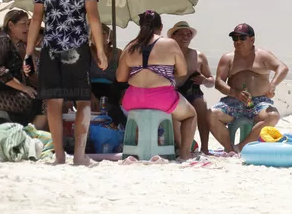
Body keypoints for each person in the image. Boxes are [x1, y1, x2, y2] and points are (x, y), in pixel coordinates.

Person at [24, 0, 106, 166]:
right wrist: (100, 50)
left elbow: (36, 20)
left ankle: (59, 155)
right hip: (77, 47)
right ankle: (79, 156)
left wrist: (29, 52)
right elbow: (94, 18)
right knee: (83, 99)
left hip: (51, 46)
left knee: (53, 100)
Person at [116, 10, 196, 160]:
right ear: (161, 26)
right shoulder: (170, 43)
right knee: (190, 115)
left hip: (133, 99)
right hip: (162, 98)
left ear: (140, 26)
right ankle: (185, 153)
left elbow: (120, 78)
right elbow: (182, 71)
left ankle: (136, 149)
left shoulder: (130, 46)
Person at [208, 23, 289, 153]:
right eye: (235, 38)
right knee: (211, 115)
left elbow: (283, 68)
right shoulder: (228, 58)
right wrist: (235, 93)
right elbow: (218, 82)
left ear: (252, 39)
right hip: (234, 101)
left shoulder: (263, 55)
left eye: (242, 38)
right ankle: (230, 150)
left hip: (259, 102)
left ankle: (241, 147)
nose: (238, 41)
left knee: (273, 116)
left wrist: (272, 85)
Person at [0, 10, 45, 128]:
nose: (27, 28)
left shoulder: (14, 44)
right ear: (11, 25)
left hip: (4, 91)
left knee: (43, 97)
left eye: (28, 24)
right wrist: (24, 88)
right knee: (42, 102)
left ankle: (29, 135)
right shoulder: (2, 40)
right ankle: (29, 137)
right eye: (23, 24)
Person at [169, 21, 214, 155]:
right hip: (174, 92)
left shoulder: (198, 55)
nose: (185, 37)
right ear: (173, 36)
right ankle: (181, 146)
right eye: (181, 34)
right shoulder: (168, 54)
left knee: (201, 105)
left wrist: (205, 80)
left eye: (188, 34)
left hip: (193, 91)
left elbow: (212, 81)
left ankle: (205, 147)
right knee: (174, 111)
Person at [89, 23, 126, 125]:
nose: (99, 36)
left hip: (111, 90)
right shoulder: (87, 52)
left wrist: (123, 94)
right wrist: (91, 95)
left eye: (103, 34)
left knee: (114, 110)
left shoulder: (118, 53)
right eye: (95, 34)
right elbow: (81, 76)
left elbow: (124, 76)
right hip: (90, 89)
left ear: (110, 37)